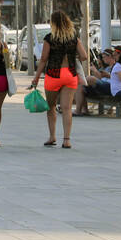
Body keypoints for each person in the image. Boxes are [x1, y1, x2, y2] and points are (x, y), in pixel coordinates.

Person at [31, 10, 81, 148]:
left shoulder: (49, 38)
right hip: (70, 75)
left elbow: (43, 59)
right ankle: (67, 140)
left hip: (54, 74)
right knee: (67, 108)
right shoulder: (73, 38)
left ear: (53, 23)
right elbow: (83, 56)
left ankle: (52, 136)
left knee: (51, 106)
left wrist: (36, 78)